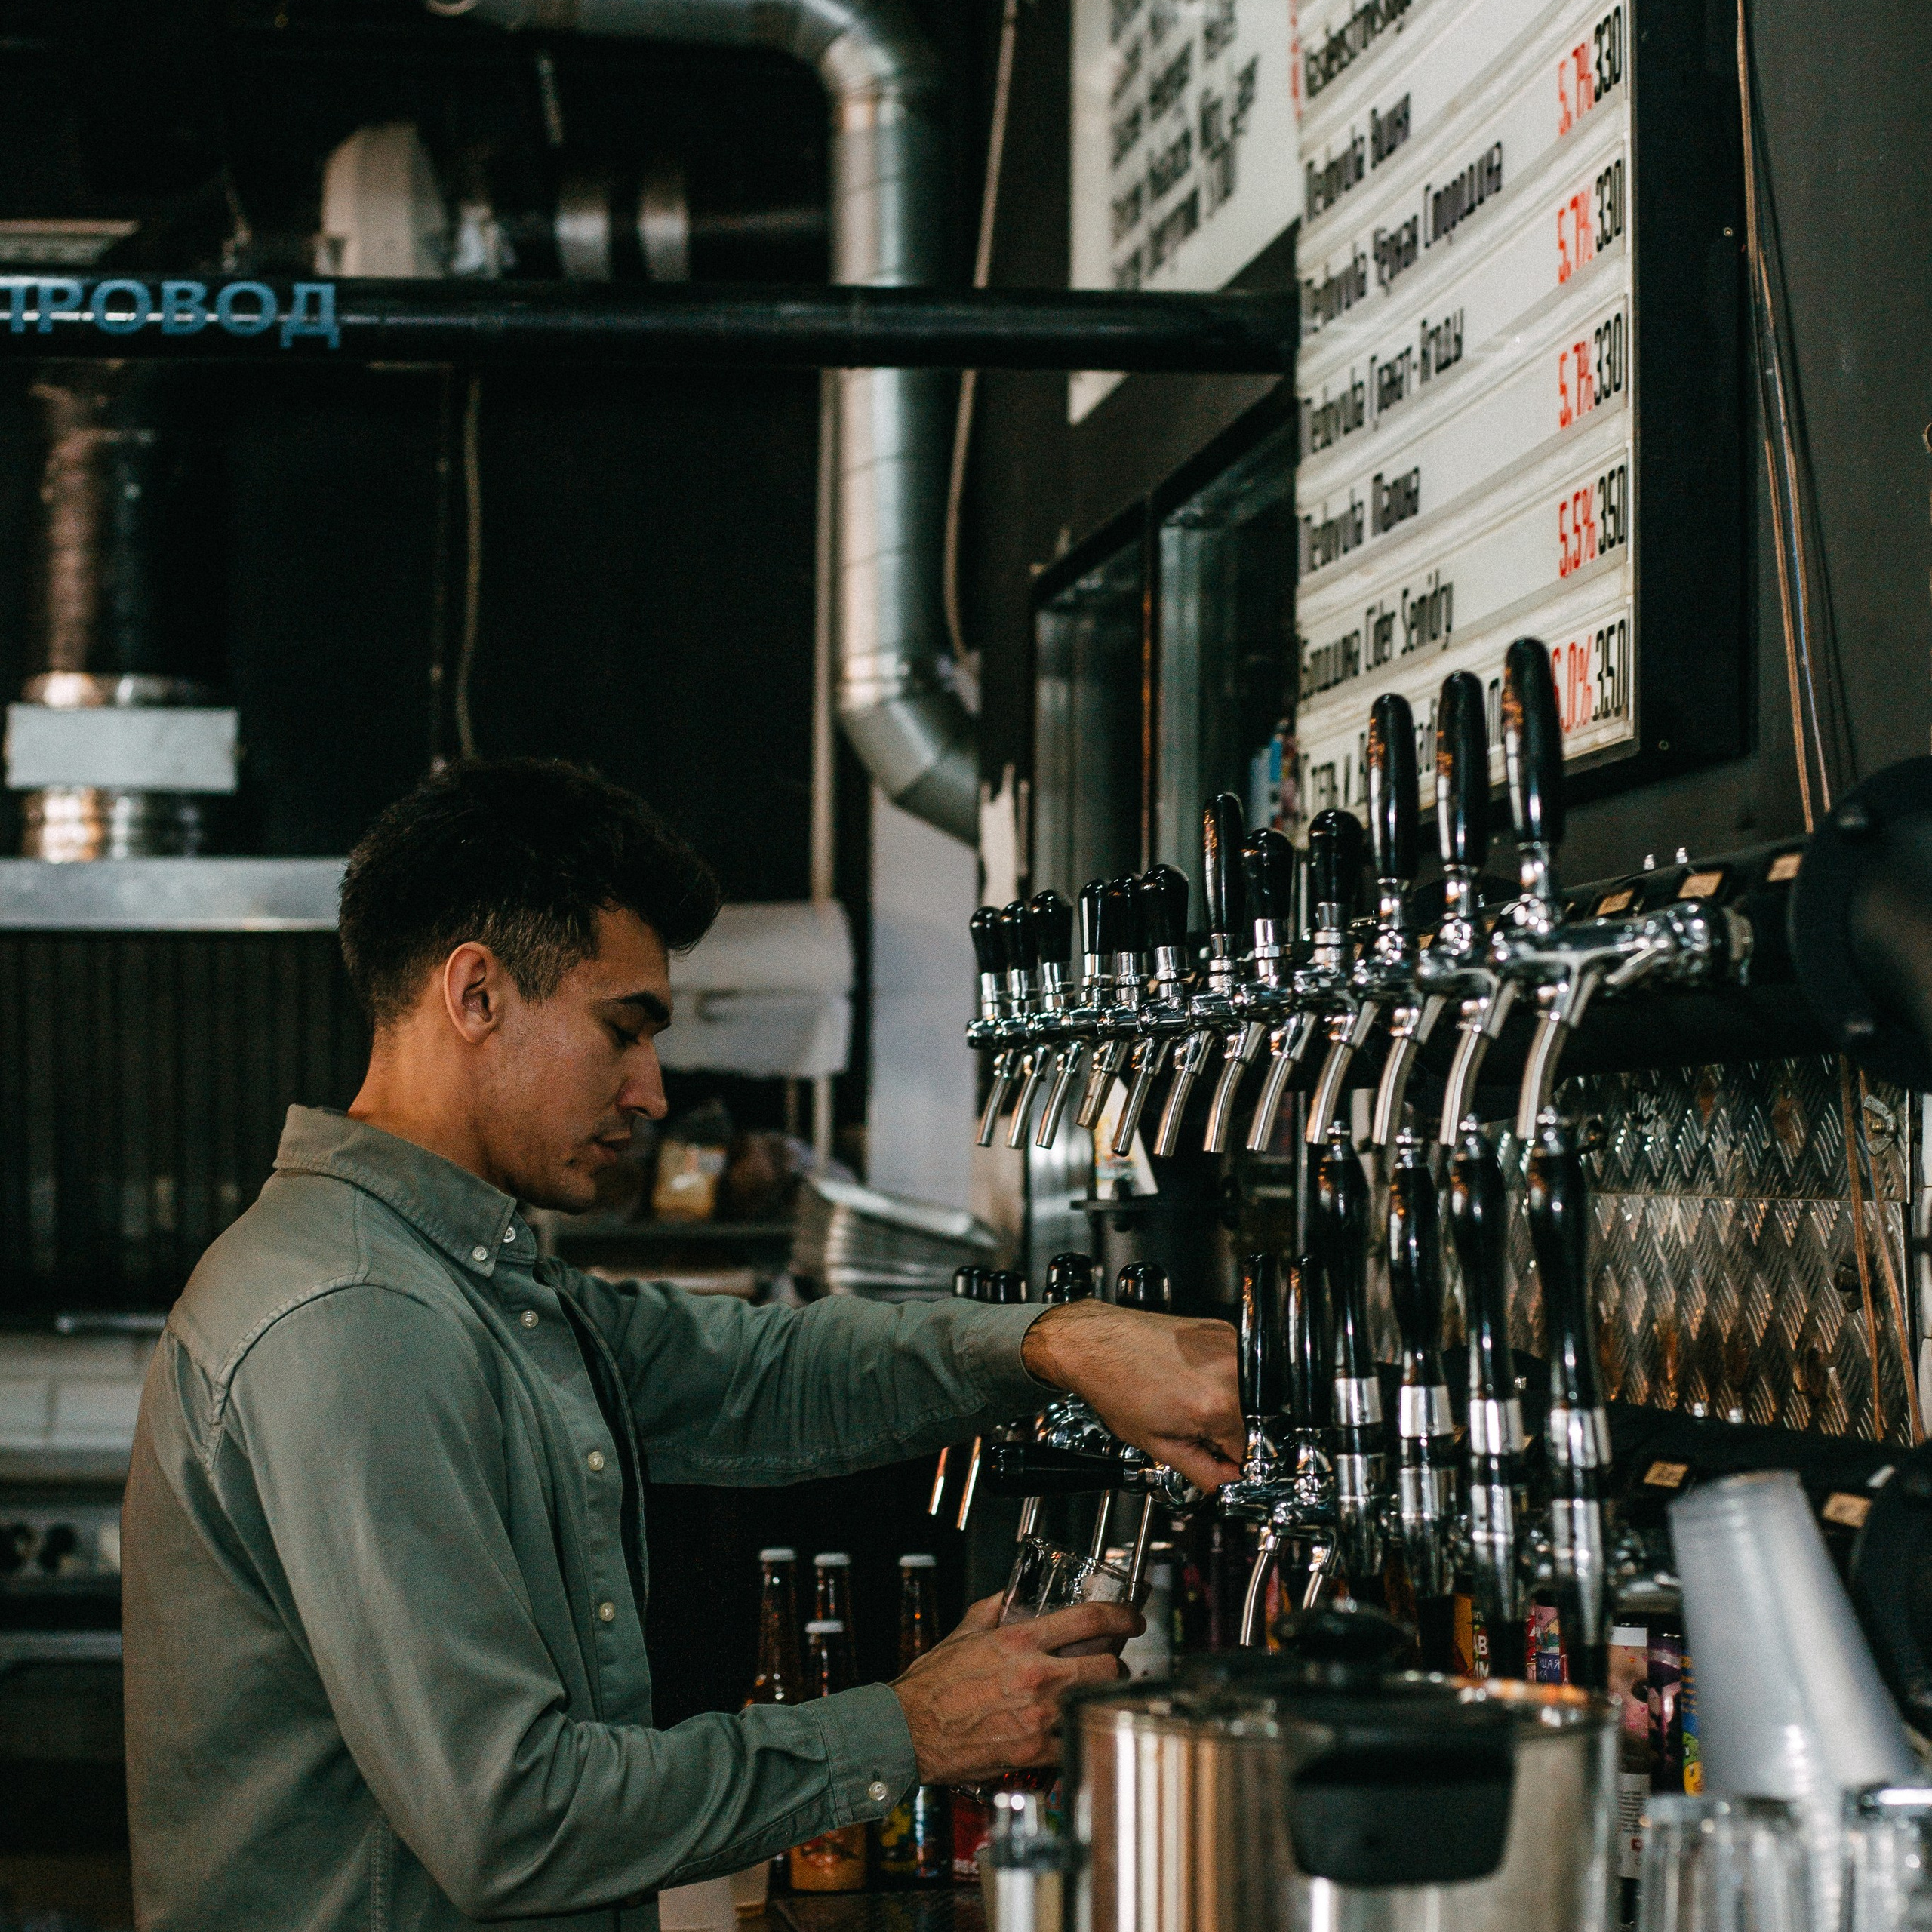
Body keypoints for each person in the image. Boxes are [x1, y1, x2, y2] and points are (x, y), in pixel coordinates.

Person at [122, 758, 1244, 1932]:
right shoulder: (354, 1320)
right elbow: (517, 1819)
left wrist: (1060, 1345)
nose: (653, 1091)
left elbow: (761, 1378)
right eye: (625, 1029)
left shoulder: (468, 1284)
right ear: (476, 995)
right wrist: (910, 1727)